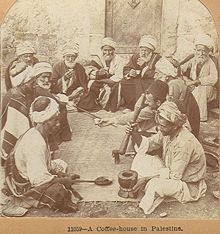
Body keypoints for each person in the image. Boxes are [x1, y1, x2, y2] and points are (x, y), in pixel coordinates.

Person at [2, 96, 81, 216]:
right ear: (44, 121)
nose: (58, 124)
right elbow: (38, 180)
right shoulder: (36, 143)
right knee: (59, 193)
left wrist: (61, 174)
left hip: (30, 173)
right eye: (55, 120)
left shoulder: (38, 133)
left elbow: (45, 165)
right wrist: (63, 180)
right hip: (24, 184)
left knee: (61, 165)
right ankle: (23, 200)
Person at [129, 101, 207, 215]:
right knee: (140, 158)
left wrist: (146, 178)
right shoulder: (166, 131)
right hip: (170, 170)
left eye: (163, 126)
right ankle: (148, 186)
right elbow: (150, 144)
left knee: (154, 184)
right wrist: (135, 134)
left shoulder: (184, 143)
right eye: (159, 125)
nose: (159, 129)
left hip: (187, 184)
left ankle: (143, 206)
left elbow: (175, 176)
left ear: (175, 125)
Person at [154, 57, 200, 138]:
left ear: (166, 76)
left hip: (188, 116)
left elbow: (171, 107)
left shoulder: (173, 84)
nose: (155, 76)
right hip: (184, 112)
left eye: (157, 73)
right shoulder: (173, 81)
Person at [181, 34, 218, 121]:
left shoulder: (211, 61)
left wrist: (195, 82)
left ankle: (201, 117)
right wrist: (185, 79)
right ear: (196, 51)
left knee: (201, 89)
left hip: (209, 91)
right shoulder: (194, 59)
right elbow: (182, 69)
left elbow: (214, 78)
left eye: (204, 51)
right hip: (195, 87)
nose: (201, 53)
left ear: (208, 51)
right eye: (199, 50)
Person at [85, 37, 126, 112]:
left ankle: (109, 105)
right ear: (102, 50)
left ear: (113, 51)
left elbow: (118, 77)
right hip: (100, 82)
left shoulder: (120, 61)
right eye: (105, 50)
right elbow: (89, 72)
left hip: (113, 83)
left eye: (110, 50)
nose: (107, 53)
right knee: (91, 84)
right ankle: (98, 102)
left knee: (115, 87)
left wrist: (103, 80)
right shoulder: (97, 59)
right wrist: (98, 73)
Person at [121, 35, 161, 110]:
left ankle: (144, 107)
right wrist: (130, 73)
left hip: (150, 80)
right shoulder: (135, 57)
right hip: (137, 79)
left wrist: (145, 65)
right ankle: (131, 106)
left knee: (147, 84)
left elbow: (157, 73)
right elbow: (127, 68)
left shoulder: (157, 58)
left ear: (151, 51)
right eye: (142, 50)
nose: (143, 53)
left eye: (145, 50)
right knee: (124, 82)